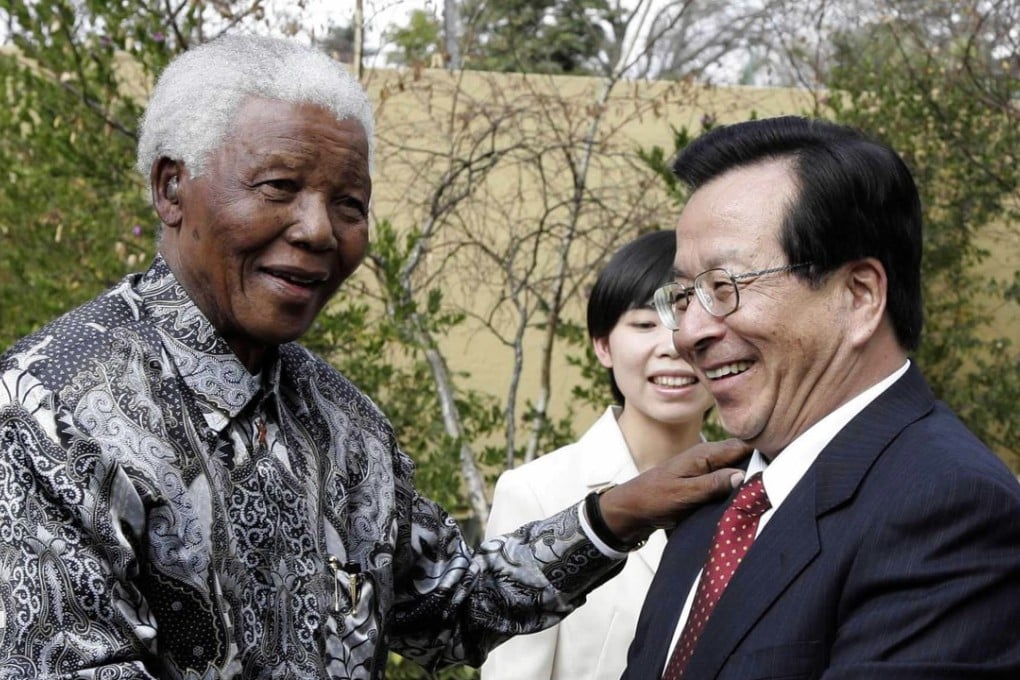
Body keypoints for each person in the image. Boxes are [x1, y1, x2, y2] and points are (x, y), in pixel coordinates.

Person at [0, 35, 751, 679]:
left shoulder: (345, 424)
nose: (318, 230)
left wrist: (617, 513)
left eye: (349, 205)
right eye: (279, 187)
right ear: (172, 188)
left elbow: (446, 609)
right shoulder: (46, 410)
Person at [622, 116, 1020, 679]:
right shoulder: (719, 495)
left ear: (859, 296)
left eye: (724, 287)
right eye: (685, 295)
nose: (688, 334)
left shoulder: (951, 509)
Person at [481, 230, 715, 680]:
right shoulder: (537, 492)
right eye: (645, 325)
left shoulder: (754, 488)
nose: (671, 346)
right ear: (603, 345)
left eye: (688, 321)